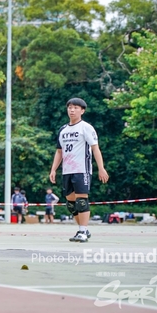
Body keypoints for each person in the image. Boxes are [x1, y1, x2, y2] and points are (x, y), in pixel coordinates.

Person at [49, 98, 108, 243]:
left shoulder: (86, 127)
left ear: (82, 111)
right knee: (71, 204)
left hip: (82, 169)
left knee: (81, 200)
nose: (72, 110)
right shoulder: (63, 130)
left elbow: (95, 148)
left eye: (75, 108)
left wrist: (101, 168)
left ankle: (82, 231)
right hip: (67, 170)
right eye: (70, 107)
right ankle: (84, 230)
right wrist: (53, 169)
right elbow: (59, 151)